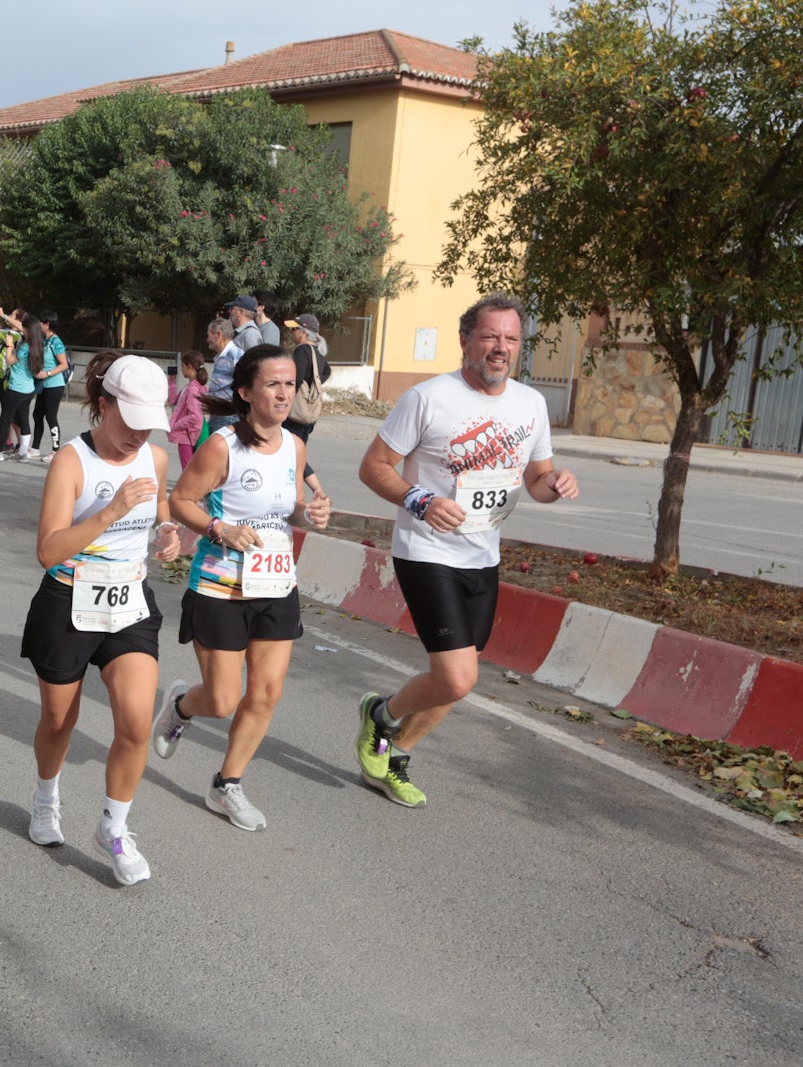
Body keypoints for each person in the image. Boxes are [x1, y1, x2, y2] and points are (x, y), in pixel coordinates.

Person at [355, 294, 579, 807]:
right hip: (427, 551)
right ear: (465, 340)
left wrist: (558, 483)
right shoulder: (428, 398)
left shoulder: (531, 404)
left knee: (453, 681)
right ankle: (380, 717)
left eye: (511, 339)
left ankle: (394, 754)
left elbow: (539, 480)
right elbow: (374, 467)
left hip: (484, 555)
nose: (500, 348)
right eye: (490, 336)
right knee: (459, 675)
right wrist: (420, 499)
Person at [23, 352, 182, 885]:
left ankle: (113, 827)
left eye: (148, 426)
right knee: (58, 721)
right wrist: (110, 511)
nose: (139, 437)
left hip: (129, 603)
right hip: (68, 601)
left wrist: (166, 534)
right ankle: (46, 797)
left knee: (136, 722)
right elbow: (48, 549)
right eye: (130, 423)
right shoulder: (72, 461)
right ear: (103, 404)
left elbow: (159, 512)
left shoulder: (154, 460)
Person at [158, 345, 332, 831]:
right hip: (220, 585)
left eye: (290, 384)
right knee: (221, 700)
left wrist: (310, 514)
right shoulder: (222, 445)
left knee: (267, 692)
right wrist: (220, 529)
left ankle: (227, 784)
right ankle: (180, 706)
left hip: (275, 582)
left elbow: (291, 507)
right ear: (245, 392)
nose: (284, 393)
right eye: (273, 384)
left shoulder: (295, 447)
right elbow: (179, 501)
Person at [280, 313, 330, 497]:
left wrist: (285, 401)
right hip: (308, 415)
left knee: (293, 455)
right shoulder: (318, 353)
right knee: (295, 455)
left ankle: (314, 493)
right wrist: (312, 389)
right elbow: (326, 372)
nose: (292, 333)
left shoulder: (301, 351)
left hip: (296, 414)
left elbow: (296, 379)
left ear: (303, 332)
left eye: (294, 329)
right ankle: (299, 496)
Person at [0, 312, 36, 460]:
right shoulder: (38, 344)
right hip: (29, 388)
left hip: (16, 387)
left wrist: (9, 345)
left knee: (5, 419)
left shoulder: (25, 346)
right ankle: (23, 453)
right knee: (24, 420)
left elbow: (10, 360)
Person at [26, 310, 69, 461]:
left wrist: (48, 373)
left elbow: (64, 365)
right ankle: (35, 448)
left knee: (51, 416)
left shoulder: (56, 341)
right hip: (43, 385)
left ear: (47, 324)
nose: (37, 325)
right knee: (37, 414)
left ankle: (56, 451)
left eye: (40, 323)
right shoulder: (44, 339)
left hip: (54, 385)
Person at [166, 350, 208, 468]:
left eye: (183, 366)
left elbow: (194, 416)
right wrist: (171, 381)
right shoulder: (191, 387)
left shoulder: (192, 389)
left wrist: (177, 425)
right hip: (187, 435)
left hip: (187, 436)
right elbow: (173, 400)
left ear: (189, 367)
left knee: (187, 471)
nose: (181, 369)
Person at [202, 317, 242, 433]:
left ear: (217, 335)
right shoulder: (223, 356)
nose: (207, 339)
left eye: (208, 335)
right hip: (220, 413)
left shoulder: (235, 355)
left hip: (227, 415)